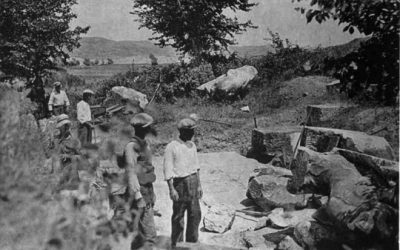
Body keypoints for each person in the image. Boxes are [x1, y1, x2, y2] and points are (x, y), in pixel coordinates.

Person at [110, 113, 157, 250]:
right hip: (138, 193)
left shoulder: (145, 145)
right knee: (149, 235)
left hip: (147, 190)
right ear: (142, 128)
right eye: (148, 127)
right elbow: (131, 173)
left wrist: (152, 194)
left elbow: (148, 171)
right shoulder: (131, 147)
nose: (150, 129)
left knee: (140, 235)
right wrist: (138, 197)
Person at [163, 118, 202, 248]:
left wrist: (199, 185)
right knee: (178, 217)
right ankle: (177, 245)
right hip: (180, 184)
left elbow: (196, 167)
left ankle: (191, 244)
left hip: (193, 182)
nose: (192, 133)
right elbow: (168, 169)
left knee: (195, 215)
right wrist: (171, 189)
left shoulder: (192, 145)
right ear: (182, 132)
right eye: (190, 131)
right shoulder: (172, 146)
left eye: (193, 130)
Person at [54, 114, 81, 191]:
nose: (60, 127)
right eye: (61, 126)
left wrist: (67, 156)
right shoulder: (58, 139)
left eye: (63, 125)